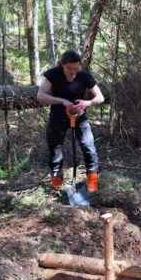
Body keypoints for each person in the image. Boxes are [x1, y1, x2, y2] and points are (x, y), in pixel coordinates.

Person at [37, 50, 104, 192]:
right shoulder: (53, 74)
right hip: (58, 117)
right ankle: (56, 181)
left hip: (79, 117)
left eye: (76, 68)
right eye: (69, 68)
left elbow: (100, 97)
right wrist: (62, 101)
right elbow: (40, 96)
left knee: (88, 146)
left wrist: (87, 103)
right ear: (62, 64)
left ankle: (92, 180)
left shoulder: (84, 76)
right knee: (55, 148)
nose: (73, 72)